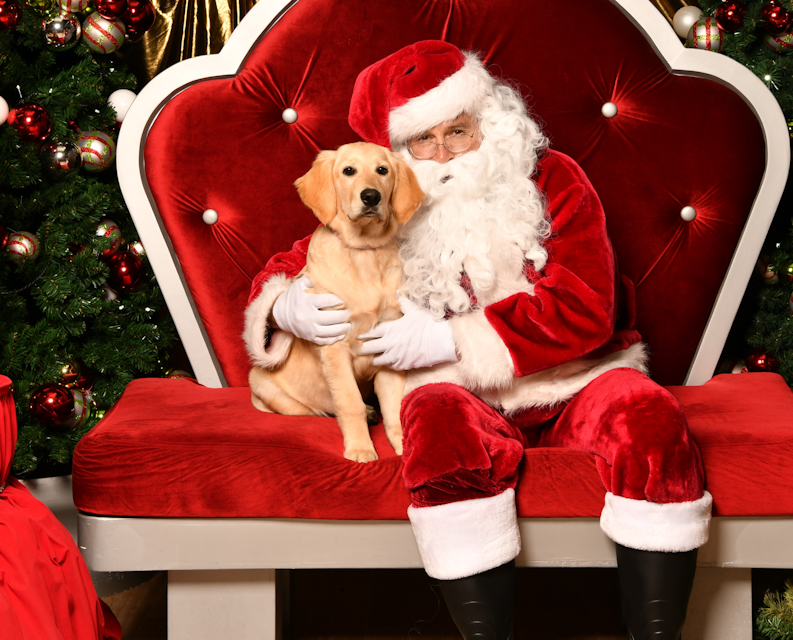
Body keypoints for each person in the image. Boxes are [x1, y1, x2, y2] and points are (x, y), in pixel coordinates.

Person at [243, 40, 710, 640]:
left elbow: (589, 306)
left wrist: (450, 339)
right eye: (422, 141)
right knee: (434, 426)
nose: (443, 155)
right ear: (398, 153)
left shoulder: (553, 178)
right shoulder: (390, 203)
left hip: (574, 380)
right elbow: (295, 258)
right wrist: (283, 305)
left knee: (647, 415)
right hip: (460, 397)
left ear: (489, 122)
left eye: (458, 132)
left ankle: (657, 632)